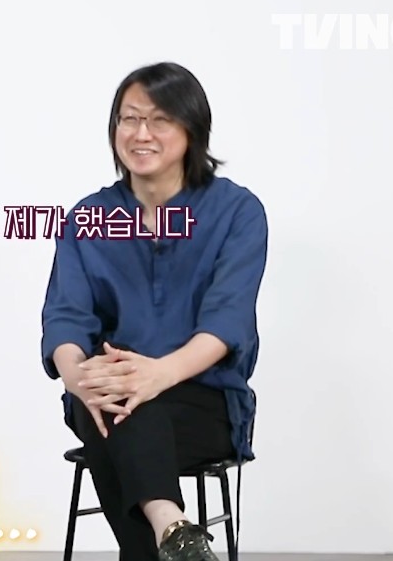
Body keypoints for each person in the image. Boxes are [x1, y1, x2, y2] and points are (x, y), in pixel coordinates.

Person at [40, 62, 268, 561]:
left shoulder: (237, 212)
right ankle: (173, 528)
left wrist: (156, 374)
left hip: (202, 400)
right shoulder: (89, 217)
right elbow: (65, 318)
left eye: (159, 120)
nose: (141, 133)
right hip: (104, 398)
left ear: (192, 130)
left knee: (126, 408)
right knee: (113, 397)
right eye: (129, 118)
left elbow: (227, 321)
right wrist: (80, 378)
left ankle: (167, 529)